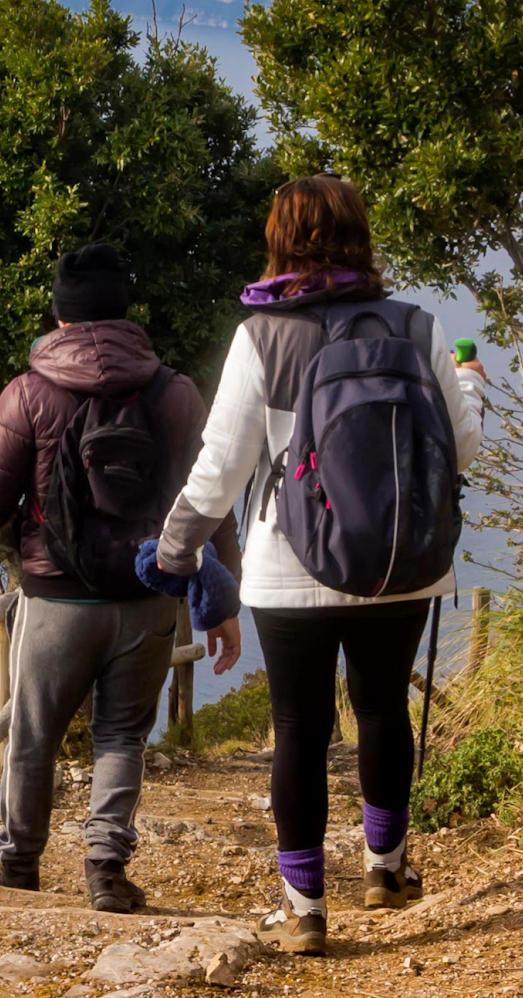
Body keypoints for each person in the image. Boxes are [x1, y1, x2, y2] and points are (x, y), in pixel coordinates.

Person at [154, 175, 485, 954]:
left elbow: (221, 467)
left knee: (297, 728)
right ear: (360, 235)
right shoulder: (415, 325)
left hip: (288, 565)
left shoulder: (260, 337)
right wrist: (470, 384)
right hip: (403, 564)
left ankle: (305, 908)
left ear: (278, 242)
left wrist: (176, 547)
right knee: (381, 711)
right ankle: (386, 867)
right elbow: (462, 446)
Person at [0, 243, 241, 912]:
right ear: (125, 310)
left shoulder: (29, 393)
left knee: (32, 732)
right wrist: (223, 597)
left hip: (56, 596)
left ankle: (19, 866)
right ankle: (105, 867)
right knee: (123, 734)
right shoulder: (175, 392)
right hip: (148, 594)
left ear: (61, 315)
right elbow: (212, 500)